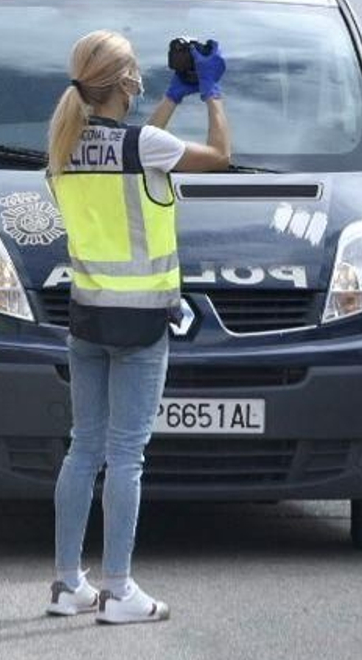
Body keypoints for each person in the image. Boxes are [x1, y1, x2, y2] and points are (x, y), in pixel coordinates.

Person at [43, 31, 232, 625]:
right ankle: (119, 590)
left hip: (87, 316)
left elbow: (131, 148)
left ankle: (68, 583)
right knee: (127, 456)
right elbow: (219, 155)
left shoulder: (64, 143)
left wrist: (172, 99)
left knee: (83, 450)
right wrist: (212, 91)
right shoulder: (145, 144)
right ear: (125, 81)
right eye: (138, 73)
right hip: (143, 320)